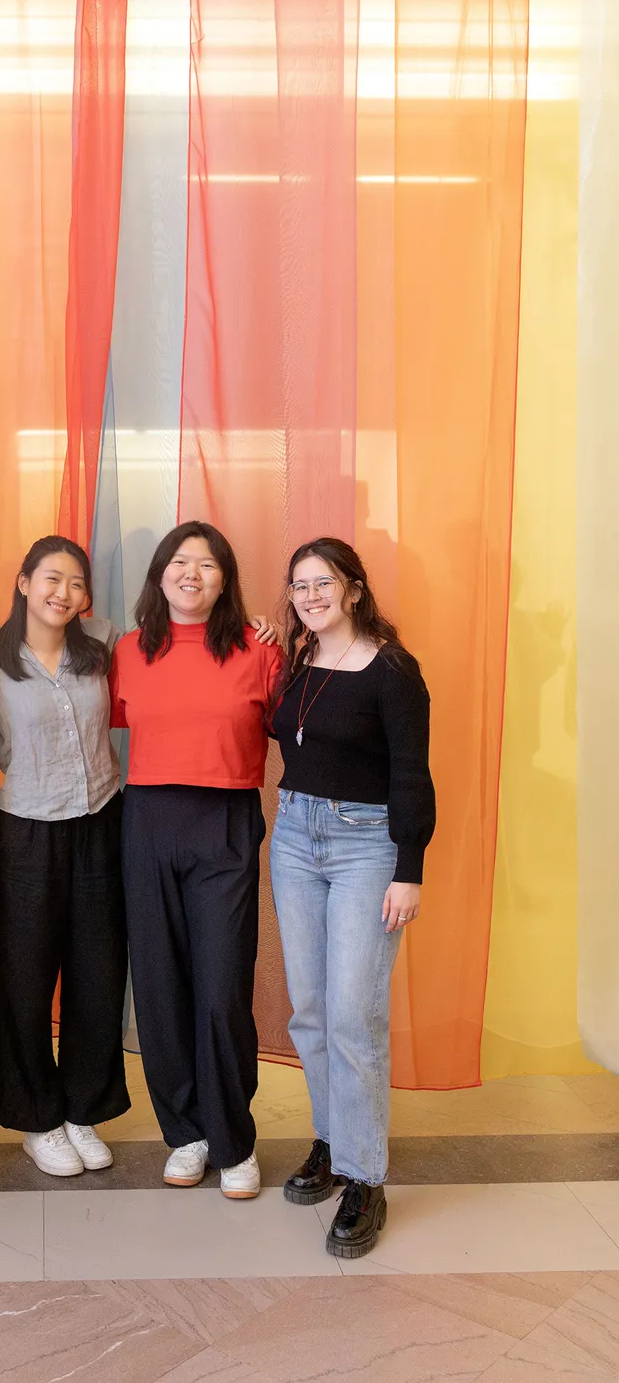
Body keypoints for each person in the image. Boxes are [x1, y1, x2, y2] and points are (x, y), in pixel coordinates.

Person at [269, 537, 435, 1260]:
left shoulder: (394, 671)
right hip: (296, 835)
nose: (310, 595)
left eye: (323, 583)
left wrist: (410, 868)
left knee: (353, 1014)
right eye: (299, 586)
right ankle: (334, 1143)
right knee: (309, 1008)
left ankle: (367, 1177)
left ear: (355, 589)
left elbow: (411, 774)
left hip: (368, 843)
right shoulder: (298, 662)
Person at [110, 522, 283, 1199]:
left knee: (220, 987)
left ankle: (234, 1139)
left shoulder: (256, 652)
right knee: (158, 985)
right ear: (159, 575)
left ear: (225, 580)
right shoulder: (129, 651)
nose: (192, 574)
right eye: (179, 562)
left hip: (226, 822)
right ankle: (184, 1134)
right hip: (148, 819)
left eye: (207, 565)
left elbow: (293, 727)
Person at [0, 536, 128, 1177]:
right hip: (27, 830)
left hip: (101, 821)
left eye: (75, 583)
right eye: (50, 578)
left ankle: (81, 1111)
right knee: (26, 977)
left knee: (98, 974)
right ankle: (38, 1118)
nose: (62, 593)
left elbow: (182, 650)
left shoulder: (104, 644)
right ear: (23, 581)